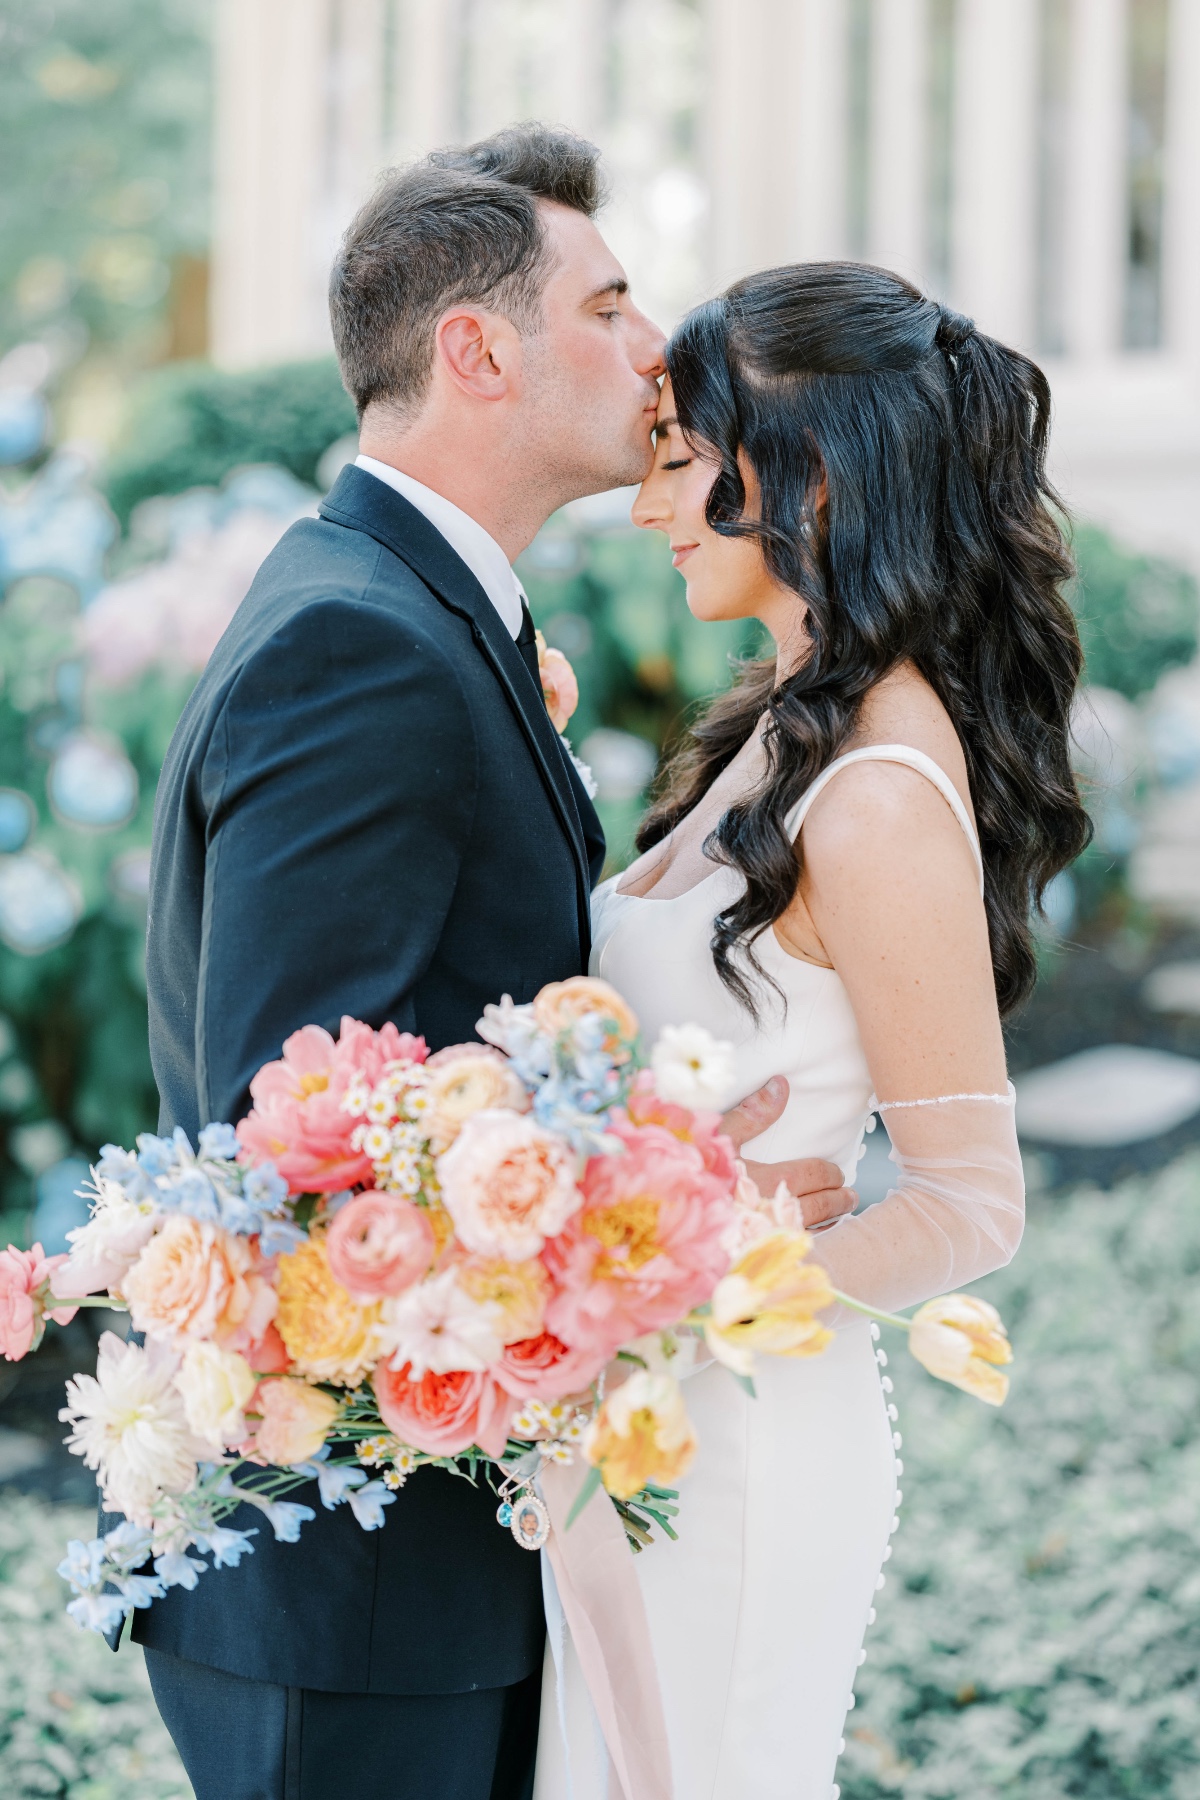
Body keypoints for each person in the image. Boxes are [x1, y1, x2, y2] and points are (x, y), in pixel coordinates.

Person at [135, 126, 853, 1800]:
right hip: (356, 1608)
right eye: (611, 304)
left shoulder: (405, 611)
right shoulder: (362, 647)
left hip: (421, 1574)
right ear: (478, 351)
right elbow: (294, 1129)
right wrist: (667, 1188)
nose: (657, 348)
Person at [533, 262, 1090, 1799]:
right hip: (656, 1421)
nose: (648, 509)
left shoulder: (882, 796)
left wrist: (695, 1288)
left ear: (807, 476)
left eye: (675, 461)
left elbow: (974, 1202)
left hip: (746, 1439)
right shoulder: (784, 727)